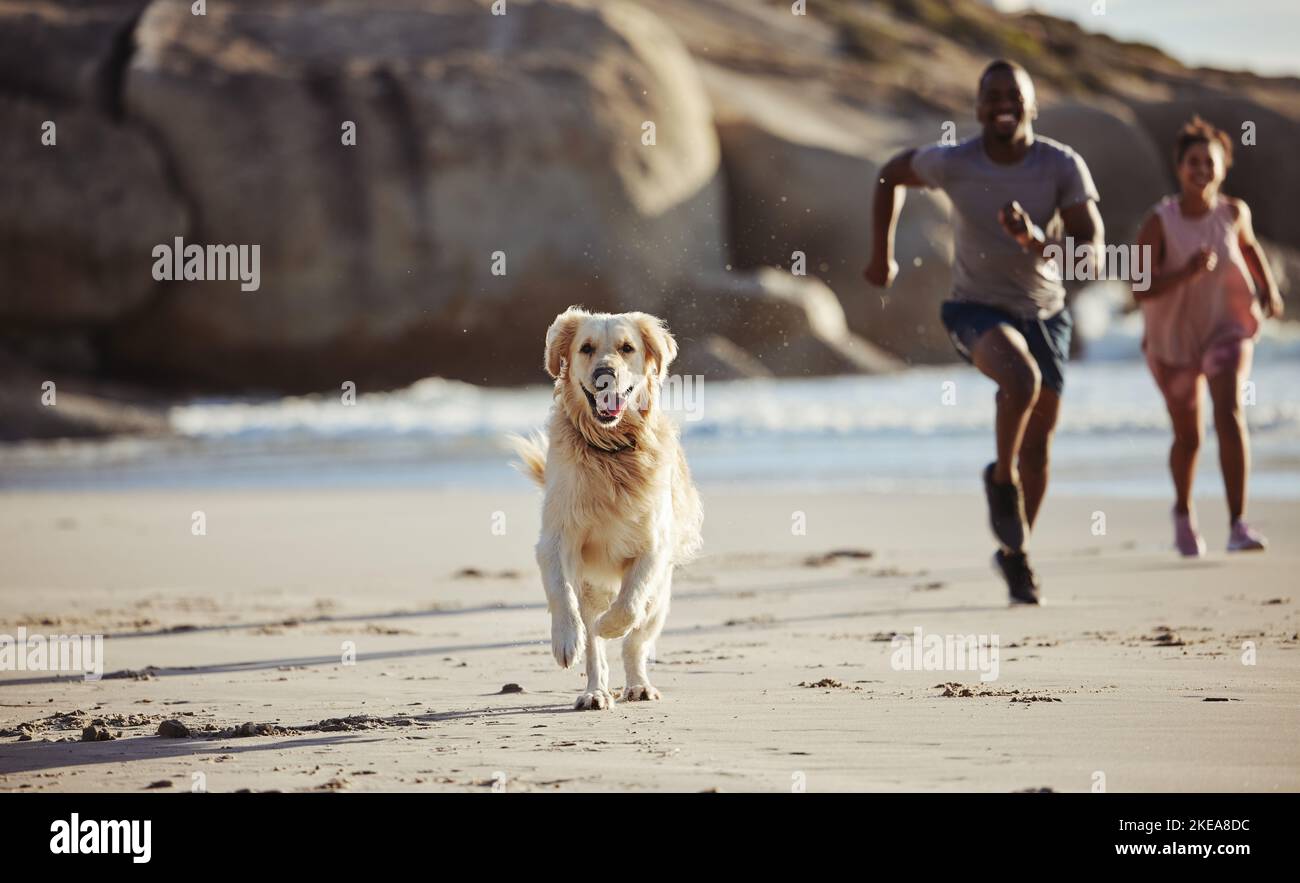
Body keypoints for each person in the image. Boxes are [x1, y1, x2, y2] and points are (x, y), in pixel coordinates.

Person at [865, 59, 1103, 605]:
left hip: (1046, 312)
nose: (1003, 104)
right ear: (977, 108)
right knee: (1019, 381)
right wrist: (882, 256)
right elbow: (890, 174)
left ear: (1032, 106)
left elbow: (1090, 249)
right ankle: (1000, 479)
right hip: (974, 309)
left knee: (1039, 449)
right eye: (992, 95)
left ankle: (1017, 556)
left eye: (1014, 96)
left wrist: (1038, 240)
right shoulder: (955, 162)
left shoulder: (1062, 166)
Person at [1133, 116, 1284, 556]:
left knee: (1229, 410)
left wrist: (1269, 289)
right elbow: (1139, 288)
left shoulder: (1234, 213)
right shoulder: (1159, 222)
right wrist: (1184, 273)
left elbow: (1250, 247)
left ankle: (1238, 524)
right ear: (1179, 168)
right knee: (1190, 437)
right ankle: (1183, 511)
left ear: (1222, 169)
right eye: (1192, 162)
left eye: (1209, 163)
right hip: (1174, 338)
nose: (1201, 170)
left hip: (1226, 326)